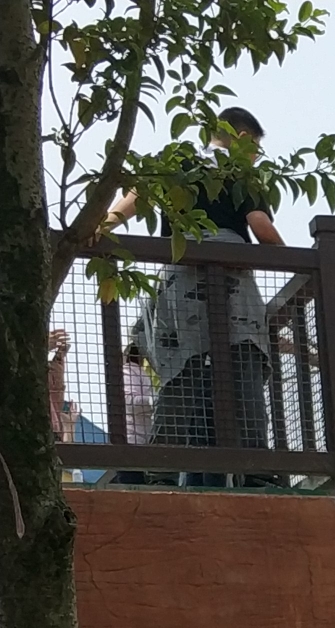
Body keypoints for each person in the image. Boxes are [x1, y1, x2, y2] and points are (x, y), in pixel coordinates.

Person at [107, 107, 280, 484]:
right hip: (231, 288)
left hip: (179, 282)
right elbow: (261, 227)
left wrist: (102, 226)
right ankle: (257, 474)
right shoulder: (240, 172)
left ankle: (162, 471)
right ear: (245, 138)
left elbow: (133, 200)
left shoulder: (178, 163)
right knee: (242, 372)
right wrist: (289, 257)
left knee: (180, 376)